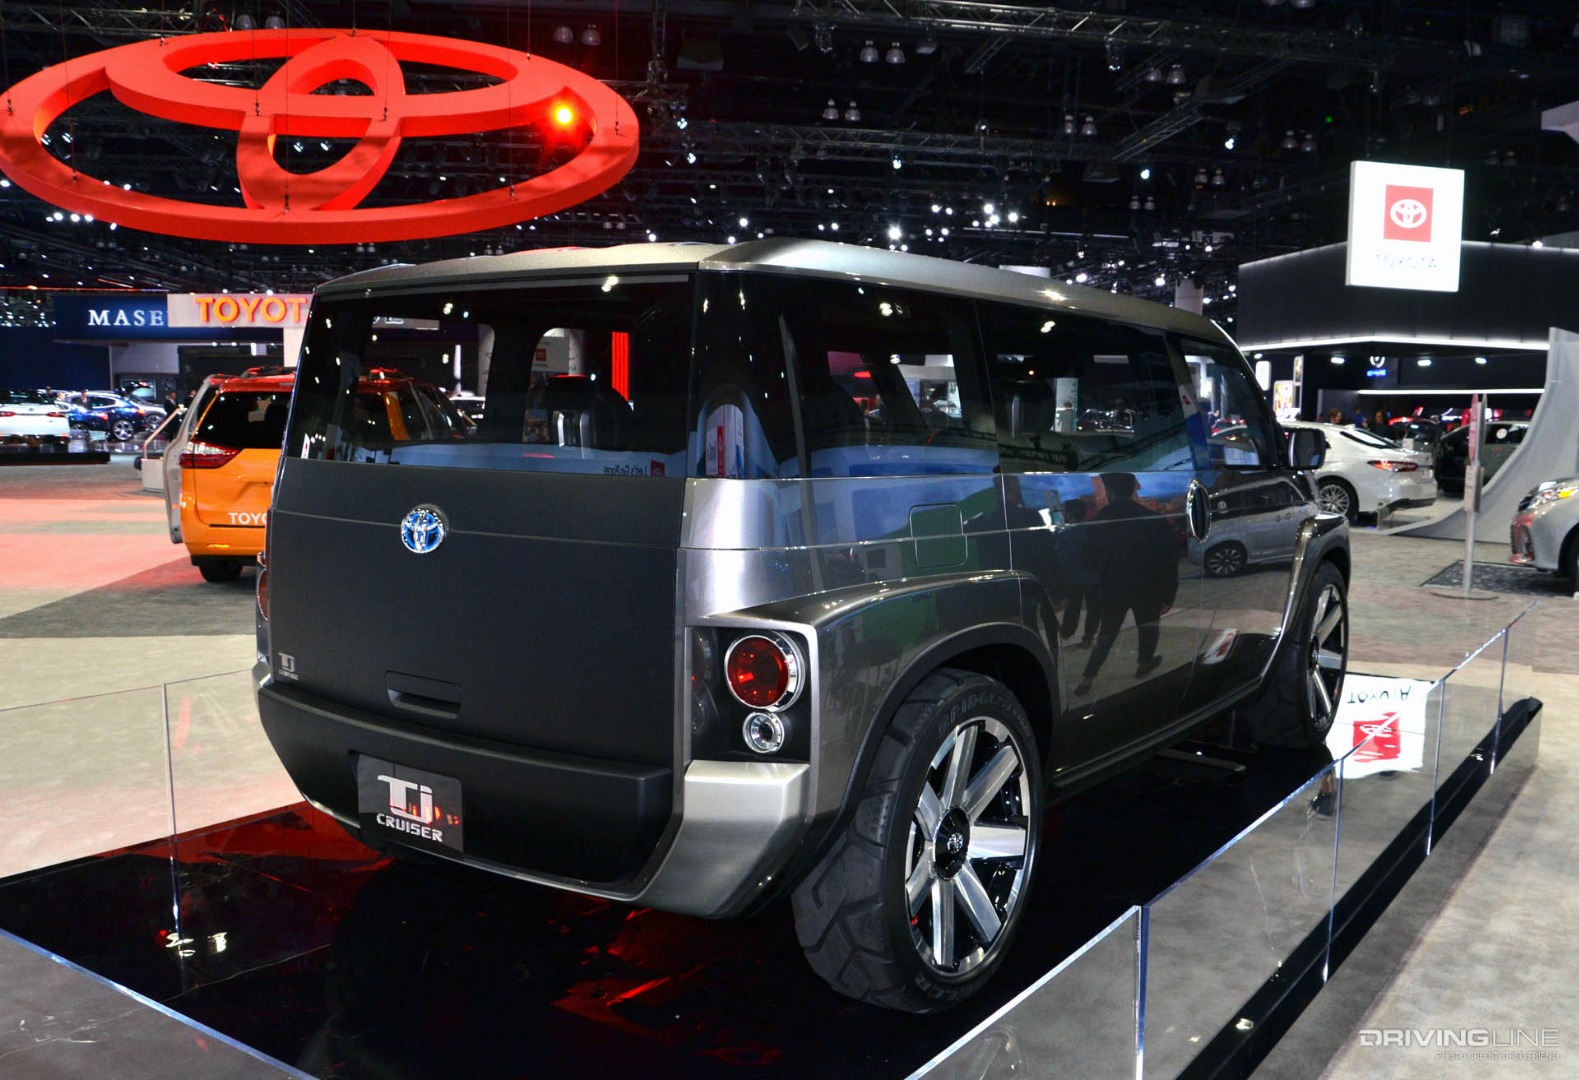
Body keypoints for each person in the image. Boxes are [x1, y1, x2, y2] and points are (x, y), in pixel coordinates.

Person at [1073, 472, 1179, 697]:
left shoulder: (1099, 522)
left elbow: (1087, 560)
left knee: (1107, 632)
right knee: (1148, 628)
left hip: (1112, 588)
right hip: (1147, 587)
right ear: (1132, 490)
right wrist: (1169, 594)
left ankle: (1088, 677)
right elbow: (1168, 560)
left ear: (1109, 491)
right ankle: (1144, 663)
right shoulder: (1152, 519)